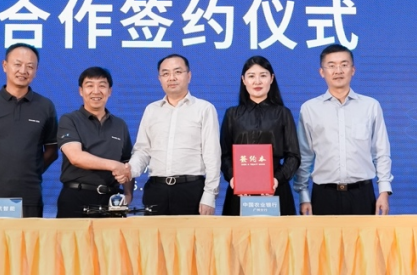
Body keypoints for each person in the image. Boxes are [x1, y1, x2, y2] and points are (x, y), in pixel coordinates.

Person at [294, 44, 393, 216]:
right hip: (324, 195)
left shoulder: (370, 106)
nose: (338, 71)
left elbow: (381, 152)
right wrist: (304, 196)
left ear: (352, 70)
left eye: (344, 65)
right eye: (331, 65)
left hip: (362, 194)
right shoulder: (309, 109)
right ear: (322, 72)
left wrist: (384, 192)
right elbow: (304, 156)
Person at [0, 43, 58, 218]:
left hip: (29, 195)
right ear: (5, 65)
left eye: (30, 66)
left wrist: (31, 170)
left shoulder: (45, 106)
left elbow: (52, 151)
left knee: (27, 237)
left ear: (36, 70)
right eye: (17, 64)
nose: (23, 70)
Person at [124, 54, 221, 215]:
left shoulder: (204, 109)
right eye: (165, 73)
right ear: (160, 79)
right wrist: (130, 170)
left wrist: (210, 194)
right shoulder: (152, 110)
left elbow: (212, 155)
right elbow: (143, 150)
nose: (172, 78)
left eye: (178, 72)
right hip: (156, 190)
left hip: (191, 190)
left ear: (189, 76)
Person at [220, 56, 300, 216]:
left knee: (277, 232)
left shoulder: (283, 113)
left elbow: (294, 156)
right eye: (251, 76)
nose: (257, 81)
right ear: (243, 80)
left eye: (263, 75)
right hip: (240, 190)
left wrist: (276, 179)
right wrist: (233, 177)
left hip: (276, 188)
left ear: (272, 78)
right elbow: (224, 155)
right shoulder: (232, 114)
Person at [55, 67, 134, 218]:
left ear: (109, 91)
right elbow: (76, 157)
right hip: (76, 198)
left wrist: (128, 195)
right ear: (81, 91)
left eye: (102, 86)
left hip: (112, 200)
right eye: (90, 85)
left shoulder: (120, 125)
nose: (96, 91)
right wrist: (113, 165)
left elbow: (126, 162)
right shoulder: (69, 120)